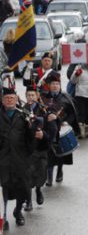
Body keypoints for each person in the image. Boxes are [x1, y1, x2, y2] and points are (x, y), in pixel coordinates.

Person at [0, 86, 42, 228]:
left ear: (17, 99)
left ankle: (18, 212)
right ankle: (3, 217)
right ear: (2, 100)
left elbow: (32, 136)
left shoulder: (24, 114)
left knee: (22, 188)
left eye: (12, 98)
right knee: (4, 188)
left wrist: (35, 130)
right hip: (3, 159)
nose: (9, 100)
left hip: (21, 158)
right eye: (6, 98)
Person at [41, 72, 79, 186]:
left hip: (61, 129)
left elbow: (72, 114)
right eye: (53, 84)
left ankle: (60, 170)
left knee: (61, 153)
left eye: (57, 84)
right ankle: (49, 176)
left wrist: (65, 121)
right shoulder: (44, 98)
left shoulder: (66, 97)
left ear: (60, 85)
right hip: (48, 130)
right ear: (49, 85)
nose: (55, 86)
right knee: (48, 153)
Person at [23, 84, 49, 212]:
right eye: (28, 95)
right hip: (27, 149)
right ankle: (28, 201)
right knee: (27, 175)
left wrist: (43, 134)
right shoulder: (21, 110)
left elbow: (51, 128)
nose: (30, 97)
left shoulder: (43, 110)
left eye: (33, 95)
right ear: (25, 96)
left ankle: (38, 190)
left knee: (40, 174)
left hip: (40, 148)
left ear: (37, 96)